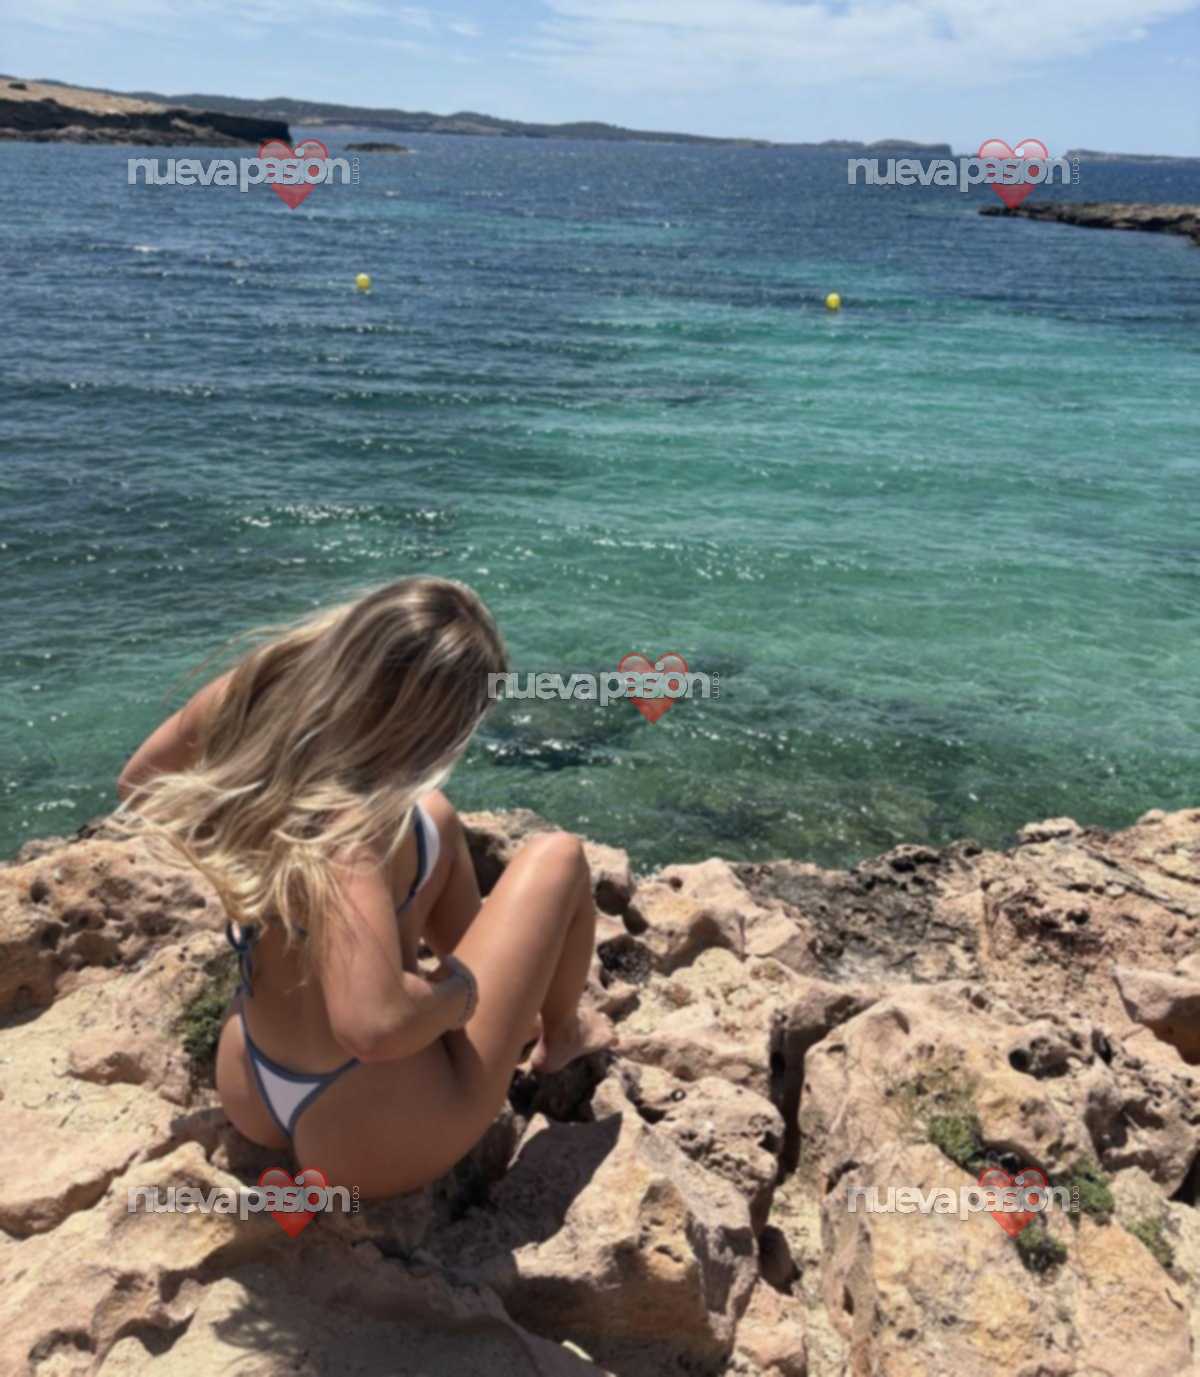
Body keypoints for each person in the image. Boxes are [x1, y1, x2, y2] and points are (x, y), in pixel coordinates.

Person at [110, 575, 614, 1198]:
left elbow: (139, 784)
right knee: (558, 857)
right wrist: (455, 997)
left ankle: (506, 1005)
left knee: (433, 818)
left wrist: (245, 849)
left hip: (253, 1080)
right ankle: (559, 1033)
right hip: (368, 1132)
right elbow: (372, 1026)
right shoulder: (355, 825)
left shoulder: (260, 698)